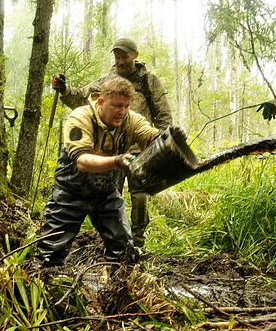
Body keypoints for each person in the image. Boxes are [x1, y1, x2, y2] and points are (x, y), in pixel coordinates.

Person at [36, 76, 182, 267]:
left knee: (124, 249)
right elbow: (82, 161)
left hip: (105, 195)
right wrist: (117, 161)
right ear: (101, 102)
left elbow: (150, 135)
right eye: (117, 106)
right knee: (50, 253)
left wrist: (169, 137)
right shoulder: (80, 117)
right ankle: (43, 286)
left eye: (127, 106)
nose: (122, 112)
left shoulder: (131, 120)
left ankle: (117, 288)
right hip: (70, 193)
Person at [51, 37, 172, 248]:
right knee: (107, 196)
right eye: (117, 57)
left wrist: (165, 143)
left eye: (124, 57)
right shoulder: (107, 81)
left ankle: (136, 242)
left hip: (139, 149)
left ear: (135, 56)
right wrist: (64, 89)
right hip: (108, 150)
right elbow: (81, 97)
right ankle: (107, 239)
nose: (120, 61)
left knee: (139, 197)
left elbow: (162, 116)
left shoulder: (149, 81)